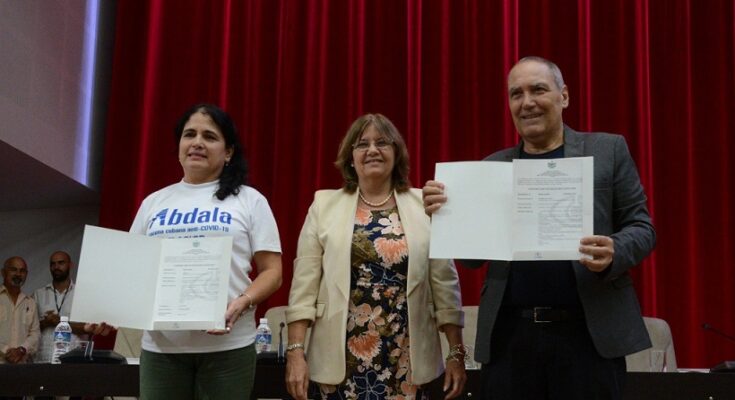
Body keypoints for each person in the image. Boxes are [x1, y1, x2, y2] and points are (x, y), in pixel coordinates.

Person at [423, 56, 656, 399]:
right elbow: (473, 261)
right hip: (510, 338)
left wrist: (614, 249)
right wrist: (448, 218)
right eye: (516, 94)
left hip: (589, 337)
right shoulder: (492, 168)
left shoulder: (608, 150)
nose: (527, 102)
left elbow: (643, 227)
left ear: (564, 96)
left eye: (538, 90)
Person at [88, 103, 283, 399]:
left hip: (228, 349)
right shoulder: (154, 203)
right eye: (189, 134)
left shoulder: (250, 200)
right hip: (162, 349)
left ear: (228, 151)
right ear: (179, 146)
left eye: (210, 136)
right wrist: (107, 310)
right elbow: (129, 270)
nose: (197, 143)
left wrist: (243, 301)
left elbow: (273, 272)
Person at [286, 113, 467, 400]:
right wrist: (295, 352)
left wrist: (456, 353)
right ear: (350, 156)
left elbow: (445, 286)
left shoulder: (425, 205)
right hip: (340, 359)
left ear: (396, 153)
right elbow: (303, 288)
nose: (372, 150)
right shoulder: (323, 205)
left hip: (406, 356)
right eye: (362, 144)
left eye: (382, 142)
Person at [33, 251, 88, 363]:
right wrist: (46, 322)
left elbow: (87, 327)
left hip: (73, 358)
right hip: (43, 359)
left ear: (70, 265)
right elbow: (29, 329)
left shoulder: (82, 294)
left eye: (61, 263)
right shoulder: (38, 294)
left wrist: (59, 322)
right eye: (53, 264)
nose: (56, 267)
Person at [0, 256, 40, 364]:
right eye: (13, 270)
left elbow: (35, 334)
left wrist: (22, 350)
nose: (18, 274)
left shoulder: (30, 303)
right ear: (3, 272)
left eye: (22, 271)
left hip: (21, 368)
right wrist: (7, 351)